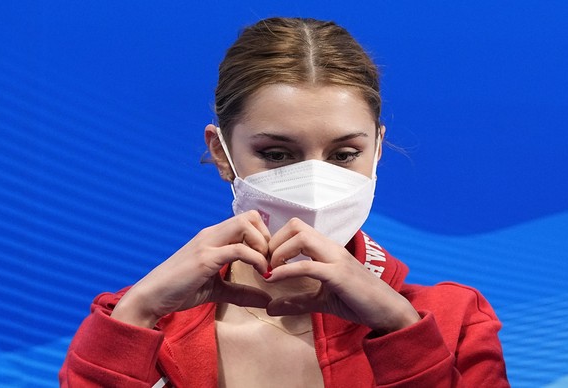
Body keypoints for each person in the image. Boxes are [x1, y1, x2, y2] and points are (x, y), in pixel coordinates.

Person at [60, 17, 509, 387]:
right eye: (277, 155)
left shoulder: (450, 324)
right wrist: (135, 316)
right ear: (222, 153)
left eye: (343, 155)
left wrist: (402, 333)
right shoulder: (136, 325)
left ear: (376, 150)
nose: (314, 182)